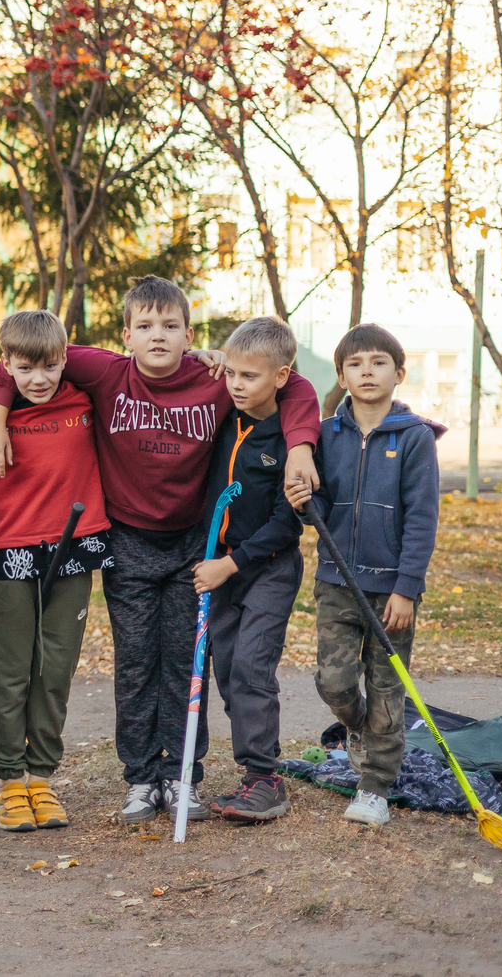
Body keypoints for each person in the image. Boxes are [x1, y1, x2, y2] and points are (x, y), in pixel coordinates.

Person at [0, 275, 322, 826]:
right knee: (135, 664)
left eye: (170, 326)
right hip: (127, 542)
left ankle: (182, 775)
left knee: (187, 665)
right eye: (145, 326)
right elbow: (21, 355)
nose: (157, 336)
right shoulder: (106, 370)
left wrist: (301, 445)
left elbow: (294, 387)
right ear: (126, 335)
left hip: (194, 545)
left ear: (190, 334)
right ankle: (140, 778)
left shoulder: (215, 380)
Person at [285, 322, 444, 828]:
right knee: (332, 682)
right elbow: (321, 506)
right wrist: (302, 505)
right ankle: (360, 729)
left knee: (386, 688)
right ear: (341, 374)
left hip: (390, 590)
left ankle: (375, 786)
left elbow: (422, 518)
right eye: (355, 364)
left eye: (378, 363)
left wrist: (407, 589)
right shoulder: (326, 436)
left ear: (399, 373)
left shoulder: (415, 437)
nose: (366, 371)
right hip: (336, 581)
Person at [0, 311, 108, 833]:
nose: (39, 378)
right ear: (5, 364)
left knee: (55, 668)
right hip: (13, 548)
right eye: (24, 368)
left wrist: (204, 358)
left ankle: (41, 777)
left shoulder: (85, 395)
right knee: (11, 669)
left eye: (50, 366)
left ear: (64, 359)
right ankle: (9, 778)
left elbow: (139, 372)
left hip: (74, 546)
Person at [190, 317, 310, 825]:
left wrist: (230, 565)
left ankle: (266, 778)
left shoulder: (290, 437)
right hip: (220, 567)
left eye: (250, 377)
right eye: (231, 374)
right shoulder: (223, 417)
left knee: (251, 667)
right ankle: (252, 772)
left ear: (280, 377)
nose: (237, 385)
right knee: (229, 668)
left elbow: (289, 524)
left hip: (269, 567)